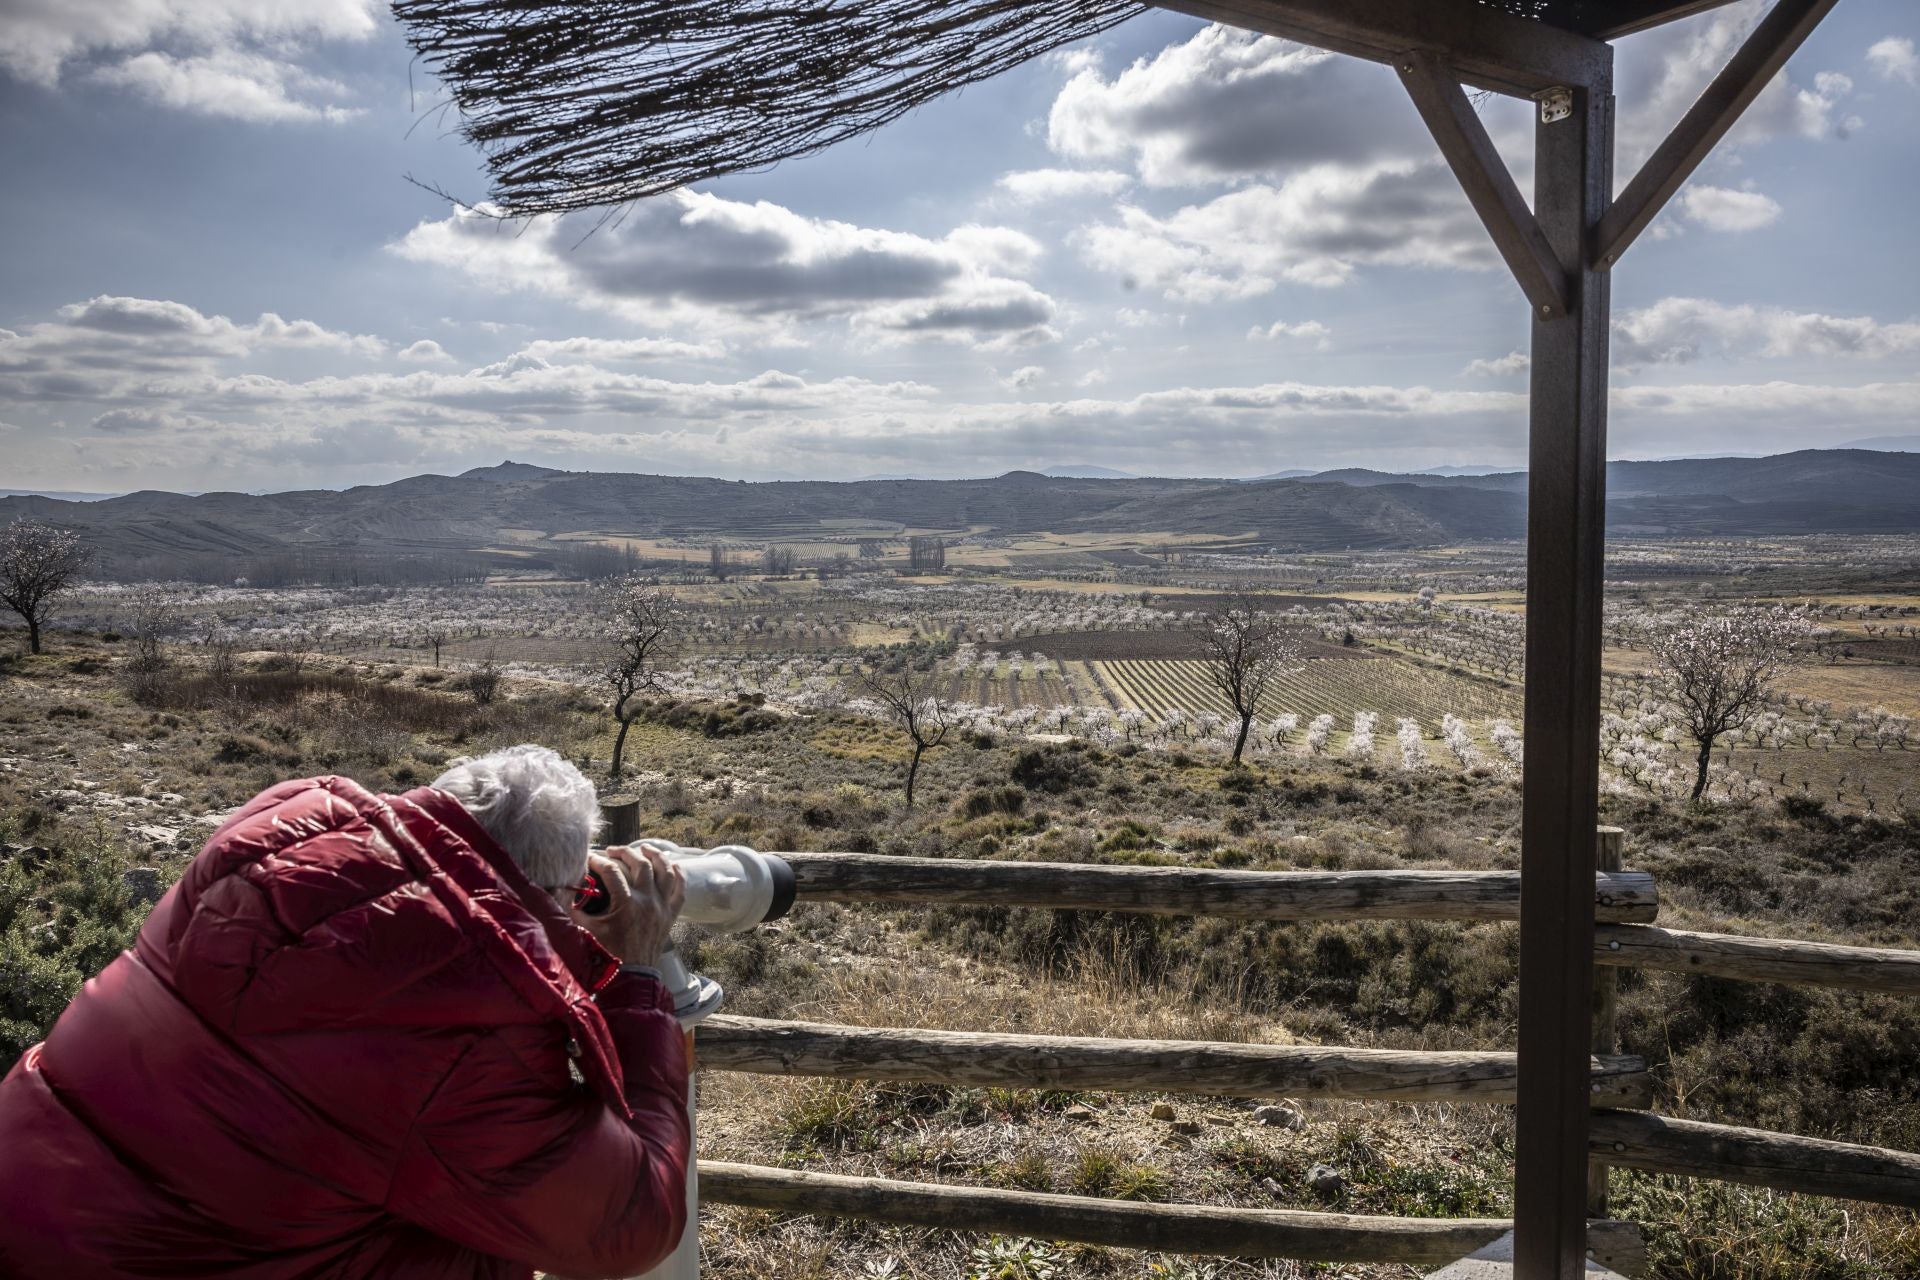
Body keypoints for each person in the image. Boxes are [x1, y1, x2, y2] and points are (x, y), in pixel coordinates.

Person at [0, 745, 690, 1279]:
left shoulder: (273, 843)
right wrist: (634, 973)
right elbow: (633, 1222)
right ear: (559, 890)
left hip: (30, 1201)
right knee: (470, 1242)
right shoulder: (464, 1037)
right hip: (153, 1262)